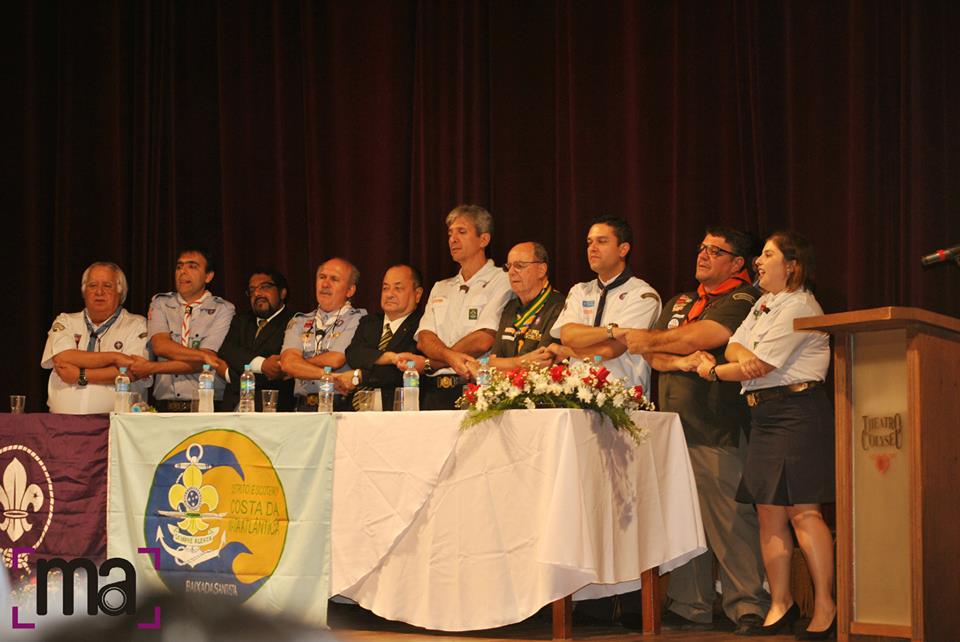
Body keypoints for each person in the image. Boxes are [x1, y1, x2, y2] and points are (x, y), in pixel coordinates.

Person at [613, 227, 769, 633]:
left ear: (738, 263)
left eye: (715, 251)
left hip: (718, 426)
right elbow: (654, 352)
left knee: (728, 518)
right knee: (683, 520)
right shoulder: (681, 300)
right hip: (673, 429)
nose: (703, 255)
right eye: (701, 247)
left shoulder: (744, 298)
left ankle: (747, 604)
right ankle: (690, 603)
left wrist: (661, 342)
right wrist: (677, 358)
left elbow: (707, 335)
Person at [696, 231, 834, 639]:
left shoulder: (802, 305)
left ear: (791, 264)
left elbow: (761, 365)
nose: (758, 260)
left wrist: (713, 371)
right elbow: (737, 348)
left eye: (768, 255)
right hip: (765, 416)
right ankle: (780, 603)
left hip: (797, 412)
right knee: (768, 512)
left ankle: (826, 606)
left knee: (803, 511)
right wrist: (738, 358)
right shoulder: (762, 303)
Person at [414, 204, 512, 409]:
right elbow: (424, 340)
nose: (452, 239)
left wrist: (434, 361)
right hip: (433, 392)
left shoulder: (502, 280)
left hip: (474, 388)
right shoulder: (441, 287)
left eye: (462, 232)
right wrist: (449, 357)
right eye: (450, 233)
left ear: (483, 240)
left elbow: (484, 339)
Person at [549, 215, 661, 391]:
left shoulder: (643, 295)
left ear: (623, 249)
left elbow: (609, 351)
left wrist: (568, 351)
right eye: (589, 242)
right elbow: (568, 335)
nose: (592, 248)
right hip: (576, 396)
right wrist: (611, 331)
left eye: (601, 241)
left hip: (622, 398)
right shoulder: (579, 290)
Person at [41, 262, 152, 414]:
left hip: (116, 426)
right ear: (84, 291)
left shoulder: (137, 325)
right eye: (92, 285)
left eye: (107, 285)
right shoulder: (65, 321)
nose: (99, 292)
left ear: (120, 292)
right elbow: (63, 356)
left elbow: (133, 371)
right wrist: (115, 357)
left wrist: (80, 375)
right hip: (60, 424)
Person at [136, 248, 235, 411]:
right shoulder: (160, 303)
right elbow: (161, 346)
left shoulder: (223, 309)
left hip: (207, 406)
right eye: (179, 266)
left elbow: (207, 361)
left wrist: (151, 367)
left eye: (192, 266)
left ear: (208, 276)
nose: (183, 271)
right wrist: (201, 355)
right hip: (164, 406)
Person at [280, 258, 366, 411]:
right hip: (303, 407)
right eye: (322, 277)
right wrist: (328, 376)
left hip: (340, 406)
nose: (325, 284)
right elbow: (288, 363)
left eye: (334, 279)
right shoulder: (299, 321)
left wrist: (300, 364)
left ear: (350, 290)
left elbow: (336, 359)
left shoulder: (359, 319)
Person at [335, 264, 424, 410]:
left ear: (418, 294)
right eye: (385, 288)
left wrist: (360, 375)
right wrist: (389, 357)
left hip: (397, 410)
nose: (389, 294)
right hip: (357, 412)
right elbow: (353, 355)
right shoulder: (369, 322)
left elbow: (400, 371)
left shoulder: (422, 325)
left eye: (398, 288)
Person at [217, 268, 296, 411]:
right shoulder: (241, 320)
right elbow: (227, 350)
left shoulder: (295, 321)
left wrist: (231, 375)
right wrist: (263, 365)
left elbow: (279, 370)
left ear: (282, 293)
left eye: (265, 287)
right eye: (252, 290)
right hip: (232, 408)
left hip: (273, 408)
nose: (257, 293)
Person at [483, 241, 565, 371]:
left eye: (519, 266)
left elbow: (543, 361)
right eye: (508, 267)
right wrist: (523, 362)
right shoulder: (510, 307)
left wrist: (506, 364)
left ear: (541, 270)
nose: (511, 272)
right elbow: (492, 363)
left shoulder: (559, 306)